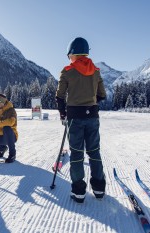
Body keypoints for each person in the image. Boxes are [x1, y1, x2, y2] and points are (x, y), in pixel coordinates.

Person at [56, 37, 107, 203]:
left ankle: (79, 191)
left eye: (69, 56)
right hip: (92, 115)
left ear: (72, 54)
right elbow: (102, 95)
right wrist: (90, 103)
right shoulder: (96, 71)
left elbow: (60, 96)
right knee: (94, 151)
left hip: (74, 117)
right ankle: (99, 189)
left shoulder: (67, 71)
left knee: (77, 153)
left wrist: (63, 113)